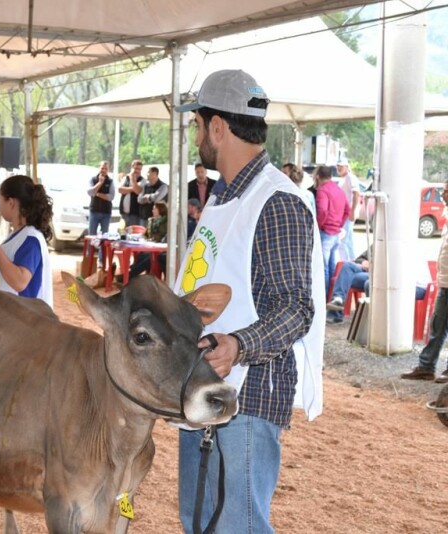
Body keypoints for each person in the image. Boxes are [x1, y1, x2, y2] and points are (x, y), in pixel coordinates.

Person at [173, 69, 323, 534]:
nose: (196, 136)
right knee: (199, 521)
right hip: (205, 390)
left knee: (239, 525)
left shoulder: (276, 200)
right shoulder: (225, 197)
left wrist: (237, 345)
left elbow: (296, 307)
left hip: (248, 396)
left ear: (218, 126)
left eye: (197, 125)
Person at [0, 175, 53, 308]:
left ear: (11, 202)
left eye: (0, 200)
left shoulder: (31, 239)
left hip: (28, 323)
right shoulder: (18, 236)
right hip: (15, 321)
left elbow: (19, 282)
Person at [401, 183, 448, 384]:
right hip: (445, 281)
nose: (442, 194)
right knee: (437, 325)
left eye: (445, 190)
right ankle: (426, 366)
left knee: (438, 325)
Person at [326, 251, 430, 324]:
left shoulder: (402, 247)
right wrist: (363, 262)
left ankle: (373, 322)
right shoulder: (380, 241)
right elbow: (361, 258)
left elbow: (397, 275)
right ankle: (337, 302)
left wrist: (376, 266)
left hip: (405, 283)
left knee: (369, 283)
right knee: (347, 269)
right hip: (379, 274)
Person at [314, 164, 350, 288]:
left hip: (326, 232)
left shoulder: (322, 190)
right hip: (335, 233)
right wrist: (339, 224)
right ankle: (331, 295)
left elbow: (323, 210)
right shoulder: (339, 190)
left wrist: (319, 226)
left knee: (323, 268)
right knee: (332, 267)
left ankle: (323, 298)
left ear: (318, 176)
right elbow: (347, 210)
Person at [87, 161, 115, 266]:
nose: (103, 170)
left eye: (106, 169)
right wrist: (99, 184)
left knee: (104, 237)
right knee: (92, 236)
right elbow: (90, 192)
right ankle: (89, 259)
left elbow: (111, 197)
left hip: (106, 213)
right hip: (94, 211)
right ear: (99, 168)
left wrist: (97, 194)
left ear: (108, 170)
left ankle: (101, 260)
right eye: (102, 168)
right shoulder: (93, 179)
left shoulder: (111, 181)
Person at [336, 158, 360, 260]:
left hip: (348, 213)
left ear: (346, 167)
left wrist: (353, 211)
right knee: (348, 240)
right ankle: (352, 261)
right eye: (338, 167)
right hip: (344, 213)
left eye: (341, 167)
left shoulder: (350, 177)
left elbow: (356, 194)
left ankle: (345, 263)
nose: (339, 169)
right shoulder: (344, 179)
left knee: (342, 241)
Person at [118, 160, 143, 227]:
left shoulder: (143, 180)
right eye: (135, 168)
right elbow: (120, 189)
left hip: (135, 214)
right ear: (131, 168)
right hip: (124, 213)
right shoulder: (125, 178)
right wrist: (133, 188)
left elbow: (138, 191)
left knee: (133, 234)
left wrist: (132, 179)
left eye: (139, 169)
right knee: (123, 233)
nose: (137, 171)